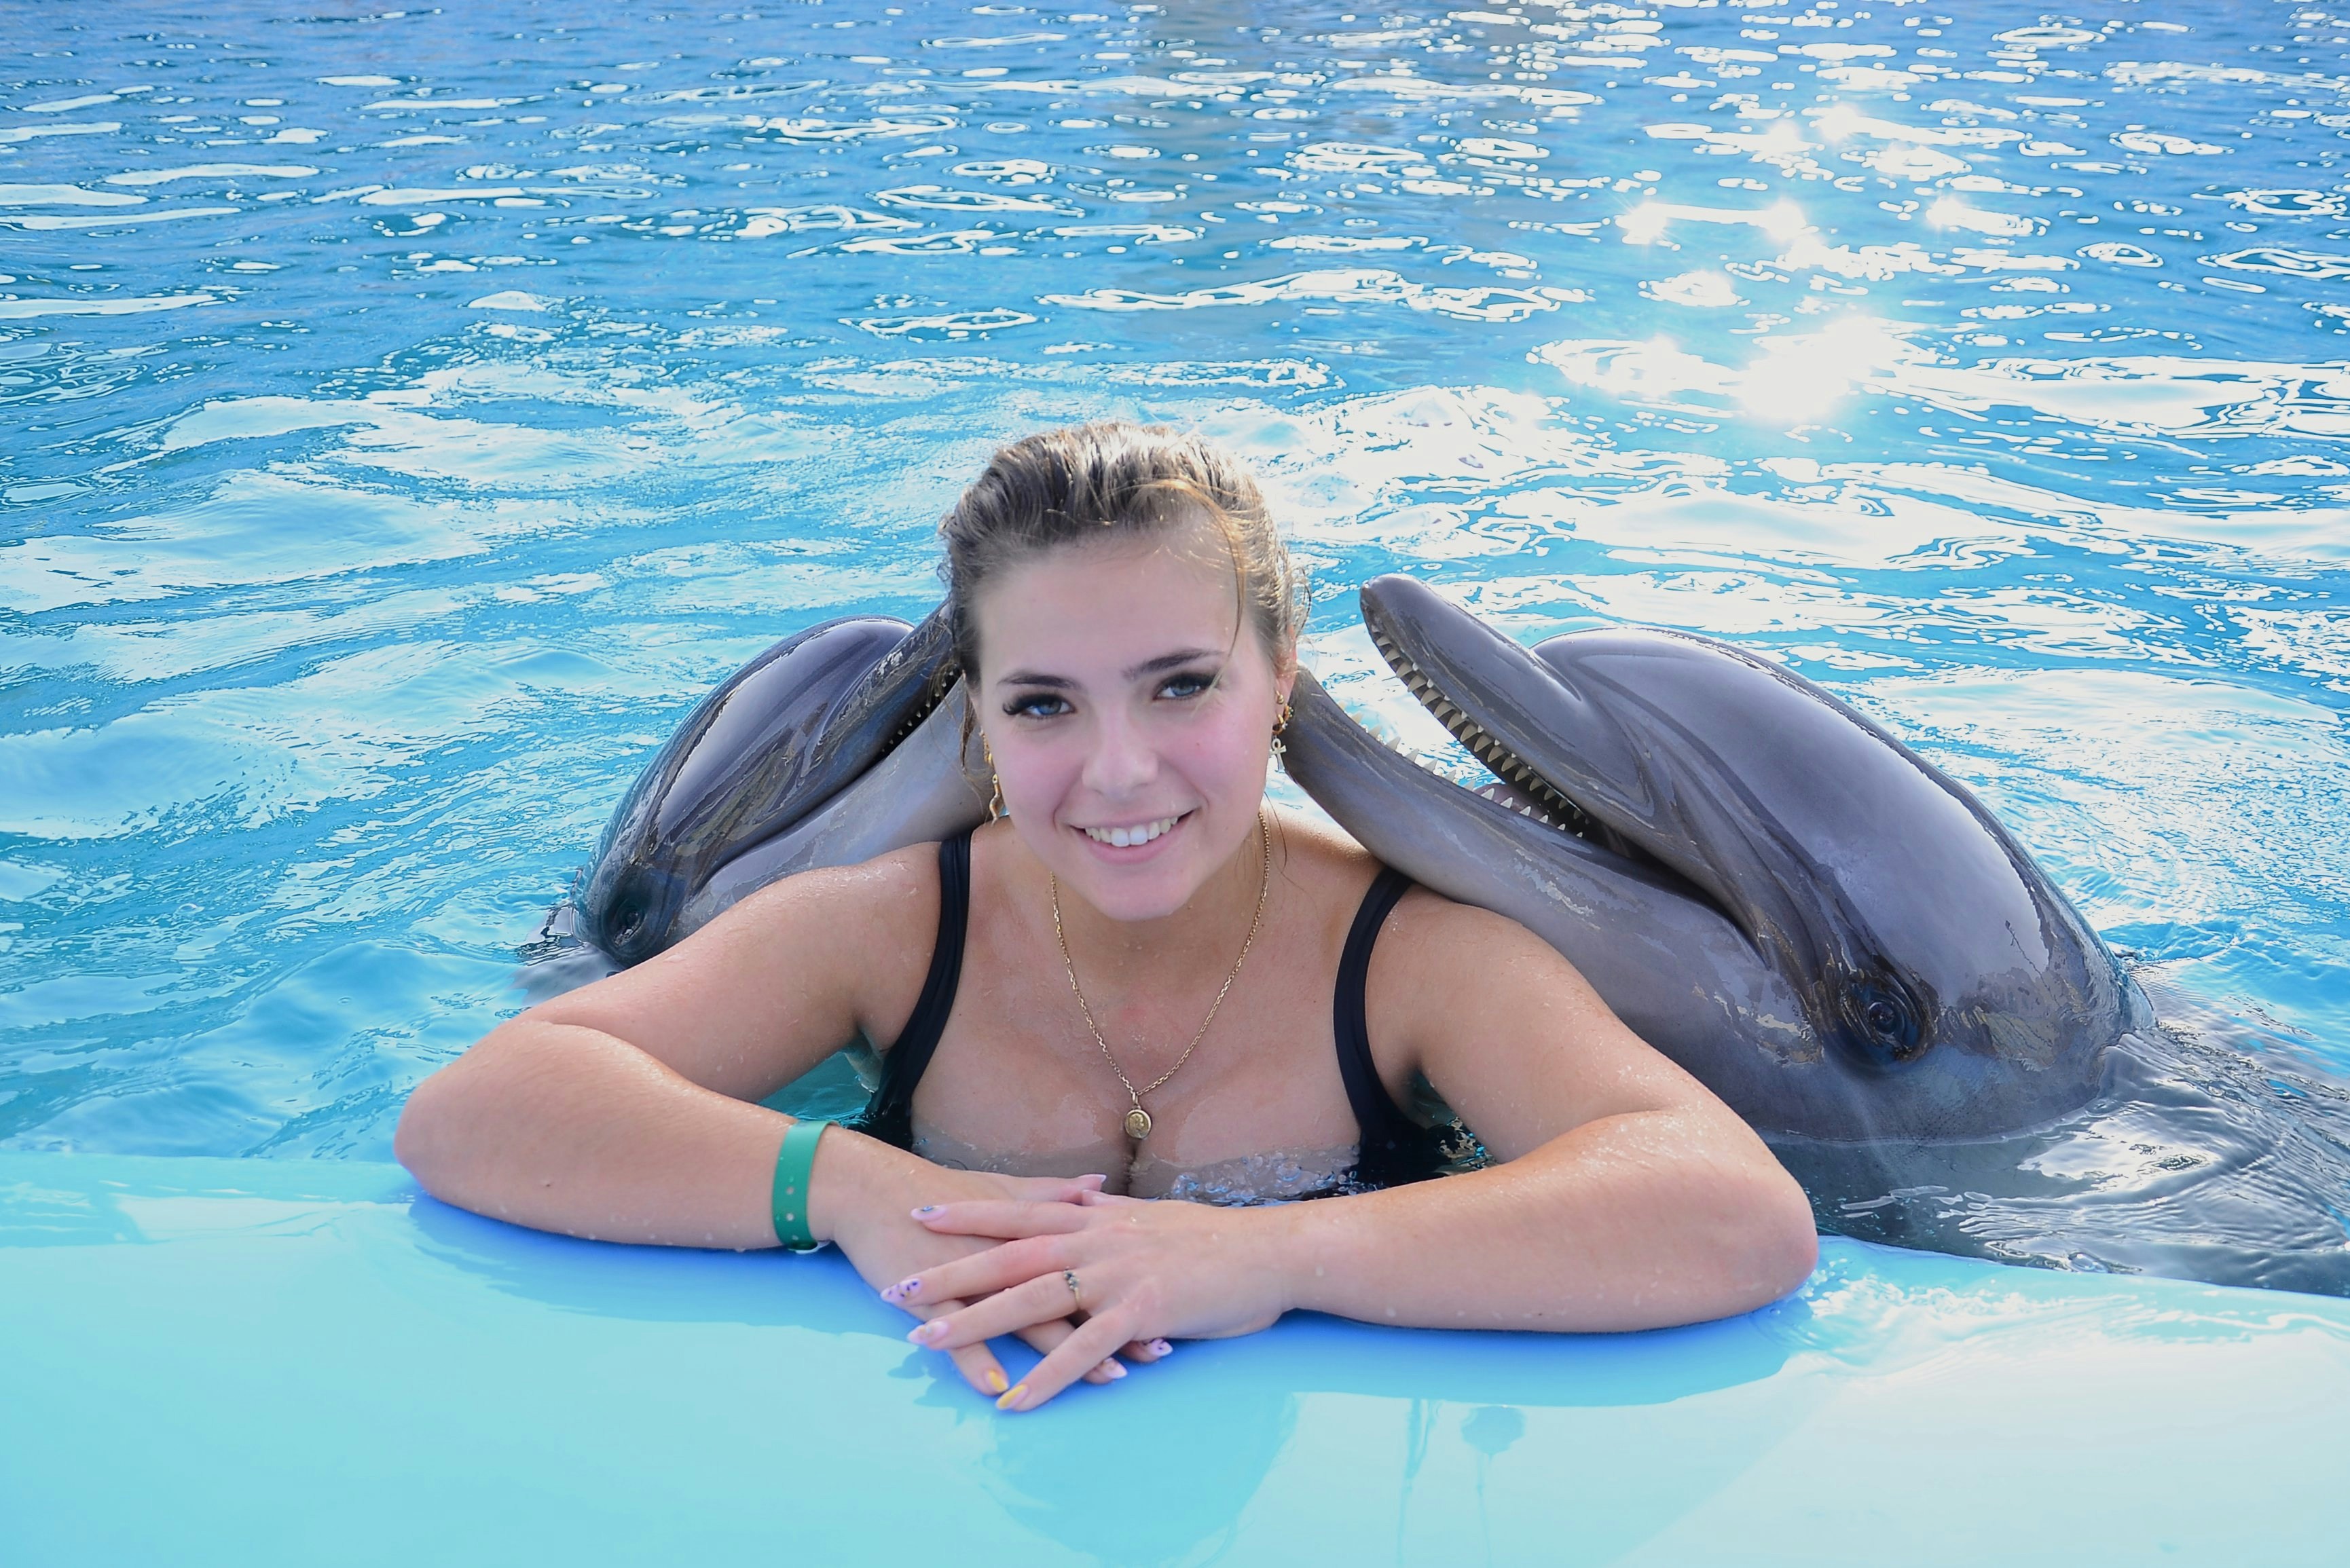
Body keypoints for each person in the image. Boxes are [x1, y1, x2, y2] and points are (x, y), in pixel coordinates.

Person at [394, 422, 1818, 1412]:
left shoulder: (1410, 961)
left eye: (1182, 685)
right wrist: (845, 1190)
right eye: (1045, 706)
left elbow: (1732, 1211)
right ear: (980, 727)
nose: (1120, 772)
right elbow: (482, 1108)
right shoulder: (894, 929)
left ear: (1282, 678)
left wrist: (1276, 1258)